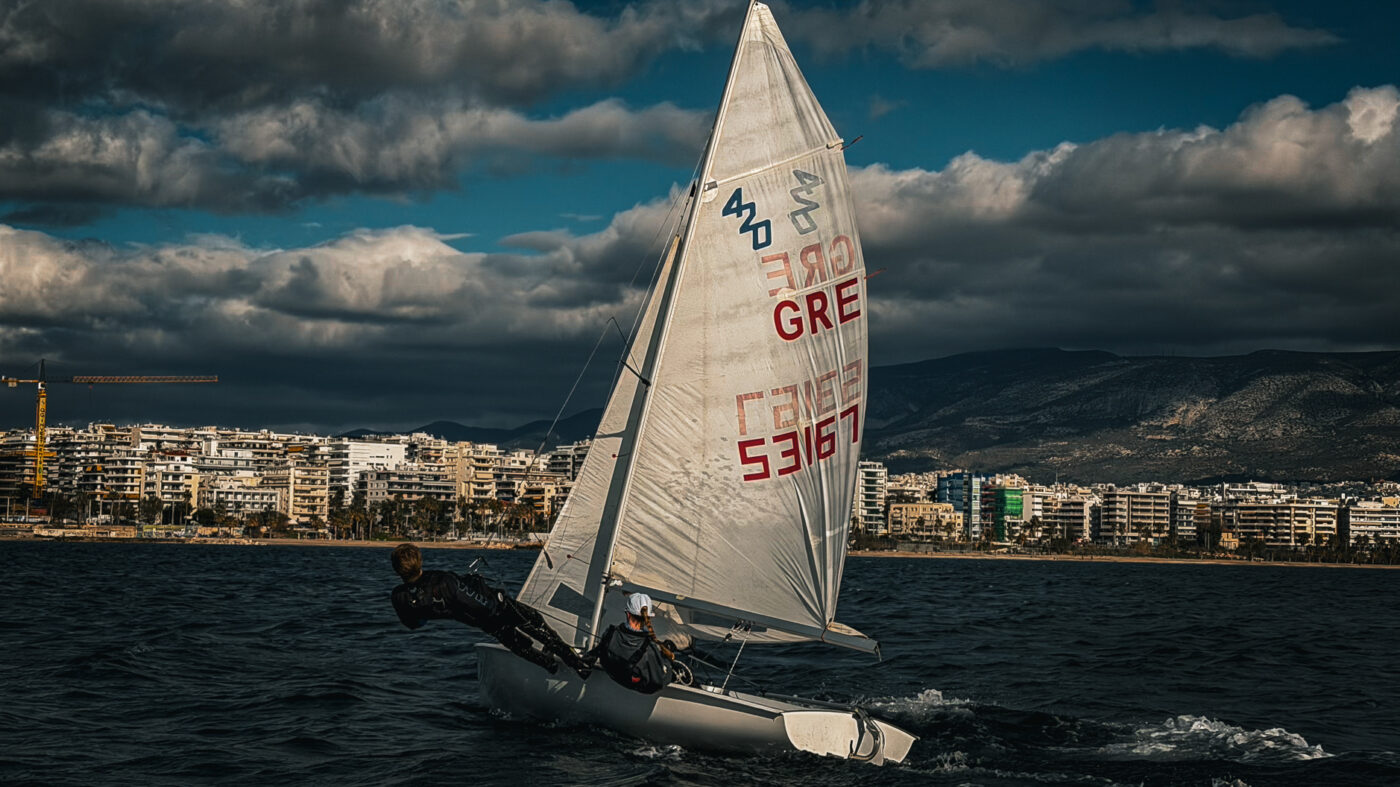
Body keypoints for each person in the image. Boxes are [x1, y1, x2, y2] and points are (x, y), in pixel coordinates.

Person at [389, 542, 590, 677]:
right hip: (496, 608)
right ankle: (578, 664)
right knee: (534, 622)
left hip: (480, 622)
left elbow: (414, 623)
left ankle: (551, 666)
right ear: (420, 561)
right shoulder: (444, 582)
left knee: (517, 644)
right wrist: (498, 604)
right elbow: (475, 601)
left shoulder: (400, 597)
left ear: (397, 570)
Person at [584, 592, 685, 694]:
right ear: (648, 618)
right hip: (637, 689)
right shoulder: (649, 650)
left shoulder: (610, 633)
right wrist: (667, 659)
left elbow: (600, 652)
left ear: (628, 614)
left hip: (612, 677)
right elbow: (658, 682)